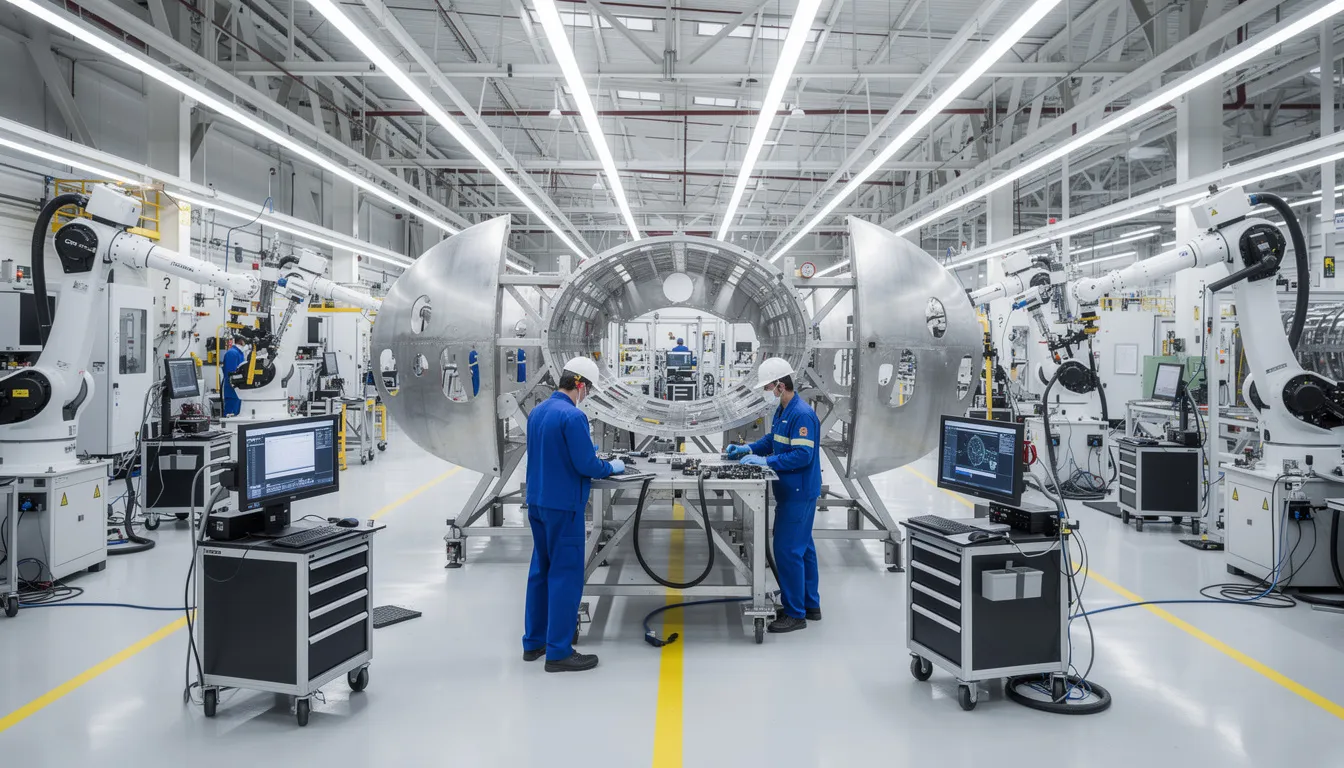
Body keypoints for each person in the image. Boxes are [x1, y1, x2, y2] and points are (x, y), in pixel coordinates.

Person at [522, 357, 624, 672]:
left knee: (541, 571)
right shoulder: (573, 417)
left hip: (538, 503)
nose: (587, 396)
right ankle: (559, 653)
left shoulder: (538, 412)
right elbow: (587, 465)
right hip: (563, 506)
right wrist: (612, 467)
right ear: (579, 385)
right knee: (565, 575)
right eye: (588, 389)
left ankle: (534, 643)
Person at [725, 357, 821, 633]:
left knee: (787, 550)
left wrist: (766, 463)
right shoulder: (783, 410)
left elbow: (803, 454)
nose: (767, 393)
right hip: (791, 490)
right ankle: (809, 604)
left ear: (780, 385)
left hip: (798, 491)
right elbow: (773, 441)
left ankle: (795, 613)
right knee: (804, 549)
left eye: (768, 388)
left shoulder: (801, 414)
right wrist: (750, 449)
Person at [220, 335, 247, 417]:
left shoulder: (239, 353)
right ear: (241, 341)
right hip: (233, 391)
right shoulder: (232, 353)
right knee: (230, 416)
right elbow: (231, 374)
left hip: (239, 391)